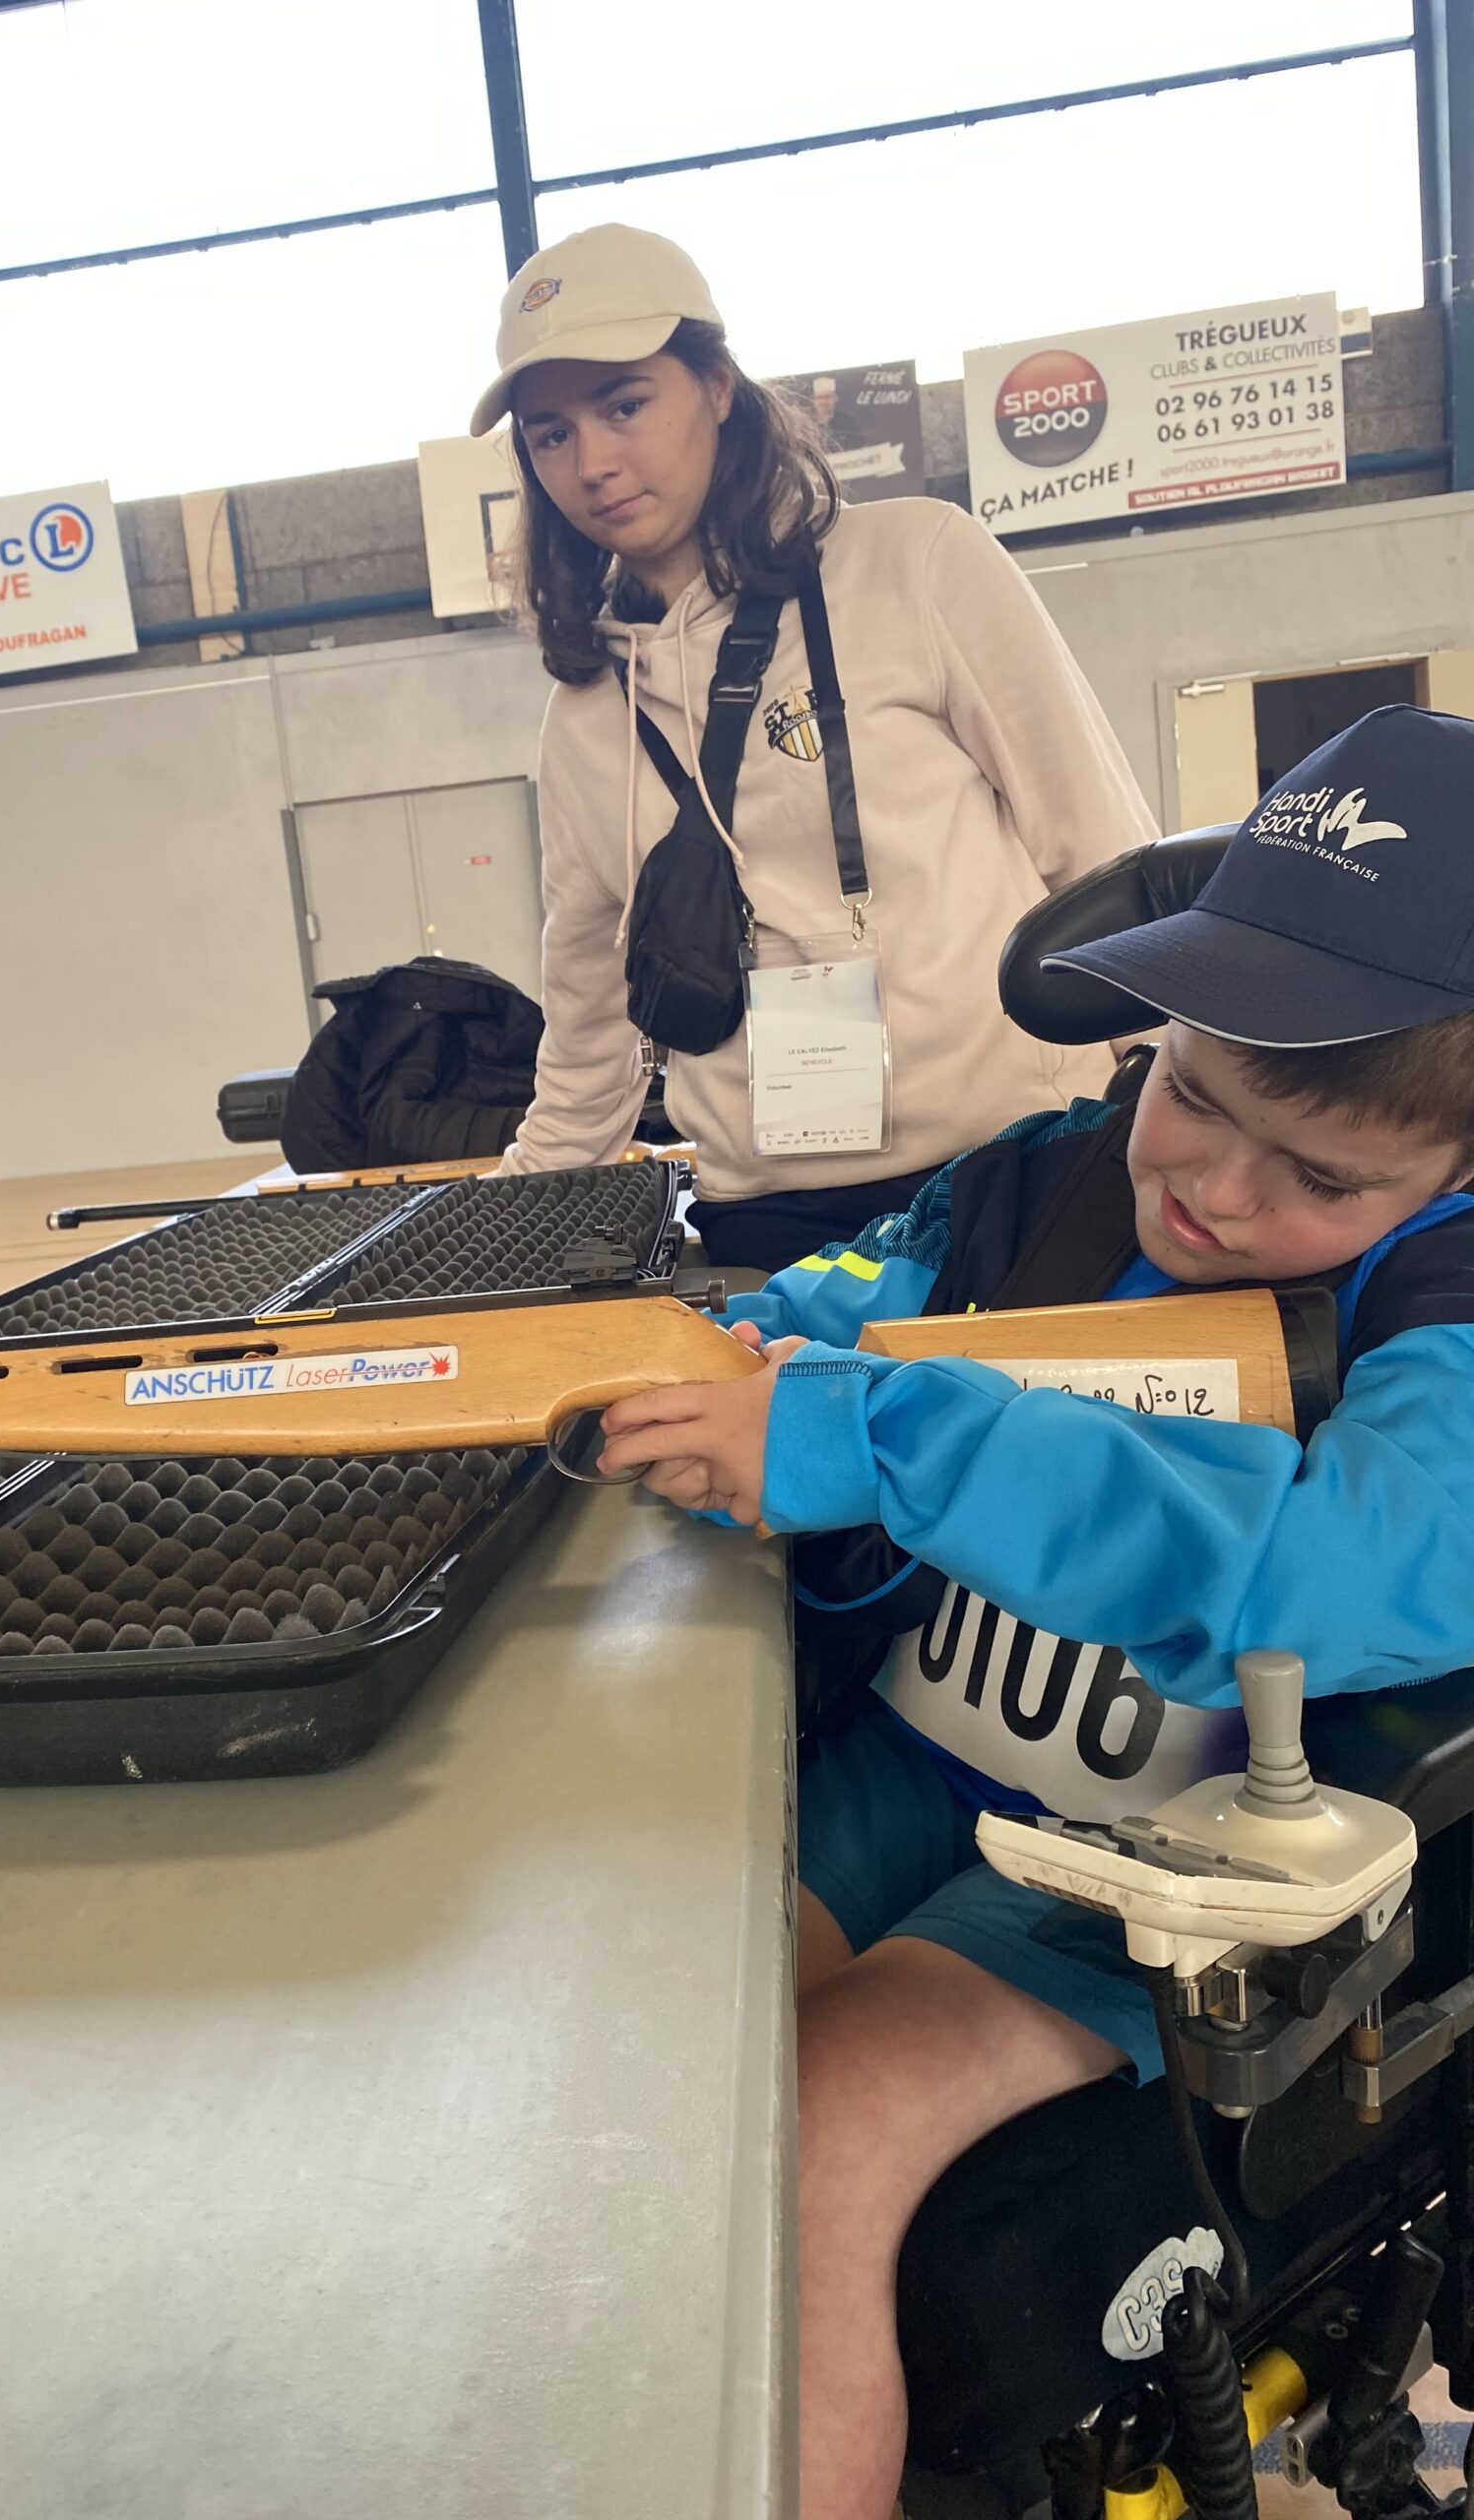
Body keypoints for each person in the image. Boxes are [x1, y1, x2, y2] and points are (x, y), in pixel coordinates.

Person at [595, 704, 1474, 2516]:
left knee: (823, 2123)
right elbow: (848, 1308)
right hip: (912, 1766)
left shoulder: (1445, 1325)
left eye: (1321, 1180)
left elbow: (1327, 1573)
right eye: (1195, 1099)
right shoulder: (1034, 1188)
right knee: (643, 2044)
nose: (1216, 1195)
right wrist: (737, 1377)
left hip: (1161, 1867)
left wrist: (902, 1439)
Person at [471, 220, 1158, 1271]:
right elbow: (592, 1016)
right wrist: (494, 1224)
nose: (593, 462)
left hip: (1012, 1166)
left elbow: (1102, 851)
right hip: (768, 1219)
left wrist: (1163, 1091)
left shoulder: (919, 565)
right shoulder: (584, 719)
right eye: (550, 432)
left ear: (714, 385)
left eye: (623, 405)